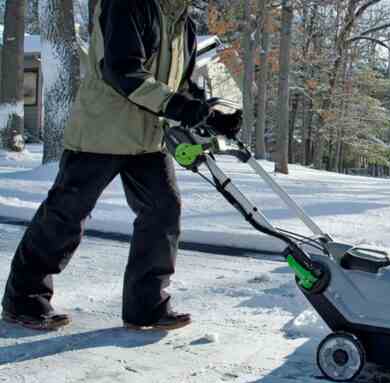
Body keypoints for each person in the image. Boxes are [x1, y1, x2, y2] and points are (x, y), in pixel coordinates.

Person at [1, 0, 242, 331]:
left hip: (147, 139)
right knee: (66, 215)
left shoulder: (181, 21)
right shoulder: (128, 5)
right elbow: (122, 70)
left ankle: (147, 305)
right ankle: (23, 299)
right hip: (102, 131)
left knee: (163, 211)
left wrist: (214, 115)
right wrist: (178, 105)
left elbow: (179, 83)